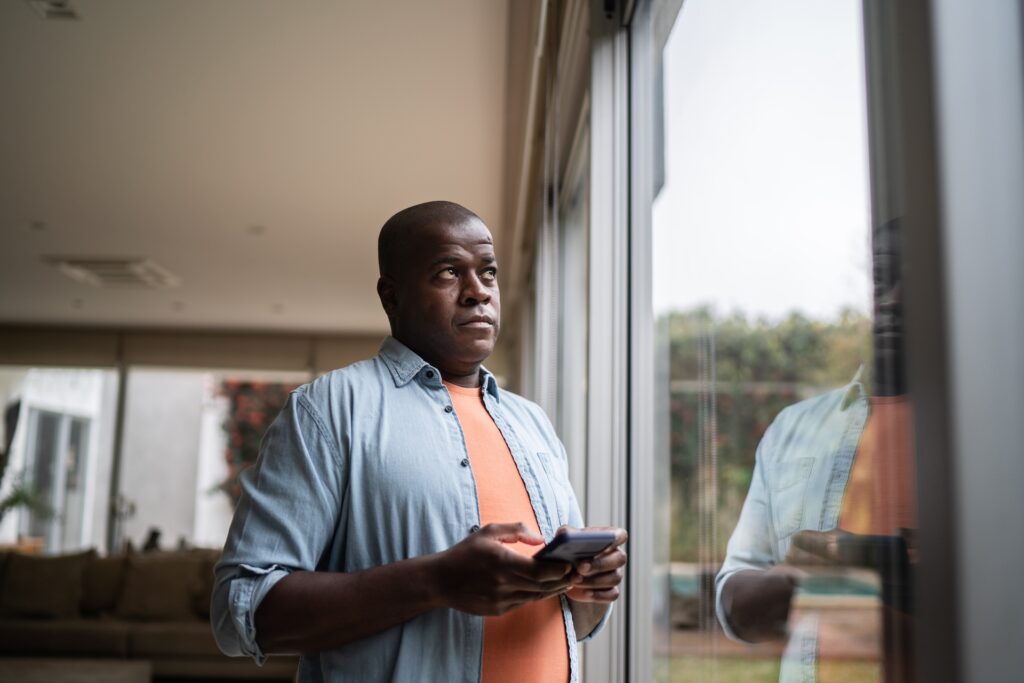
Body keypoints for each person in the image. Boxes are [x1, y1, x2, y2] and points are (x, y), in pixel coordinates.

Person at [211, 200, 628, 682]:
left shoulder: (532, 423)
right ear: (392, 296)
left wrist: (590, 586)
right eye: (449, 273)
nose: (478, 293)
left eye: (488, 273)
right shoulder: (328, 410)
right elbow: (239, 611)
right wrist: (437, 581)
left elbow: (574, 624)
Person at [715, 218, 915, 682]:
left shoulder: (995, 434)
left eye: (920, 279)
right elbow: (734, 595)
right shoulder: (793, 430)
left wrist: (859, 560)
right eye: (885, 276)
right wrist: (793, 585)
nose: (896, 299)